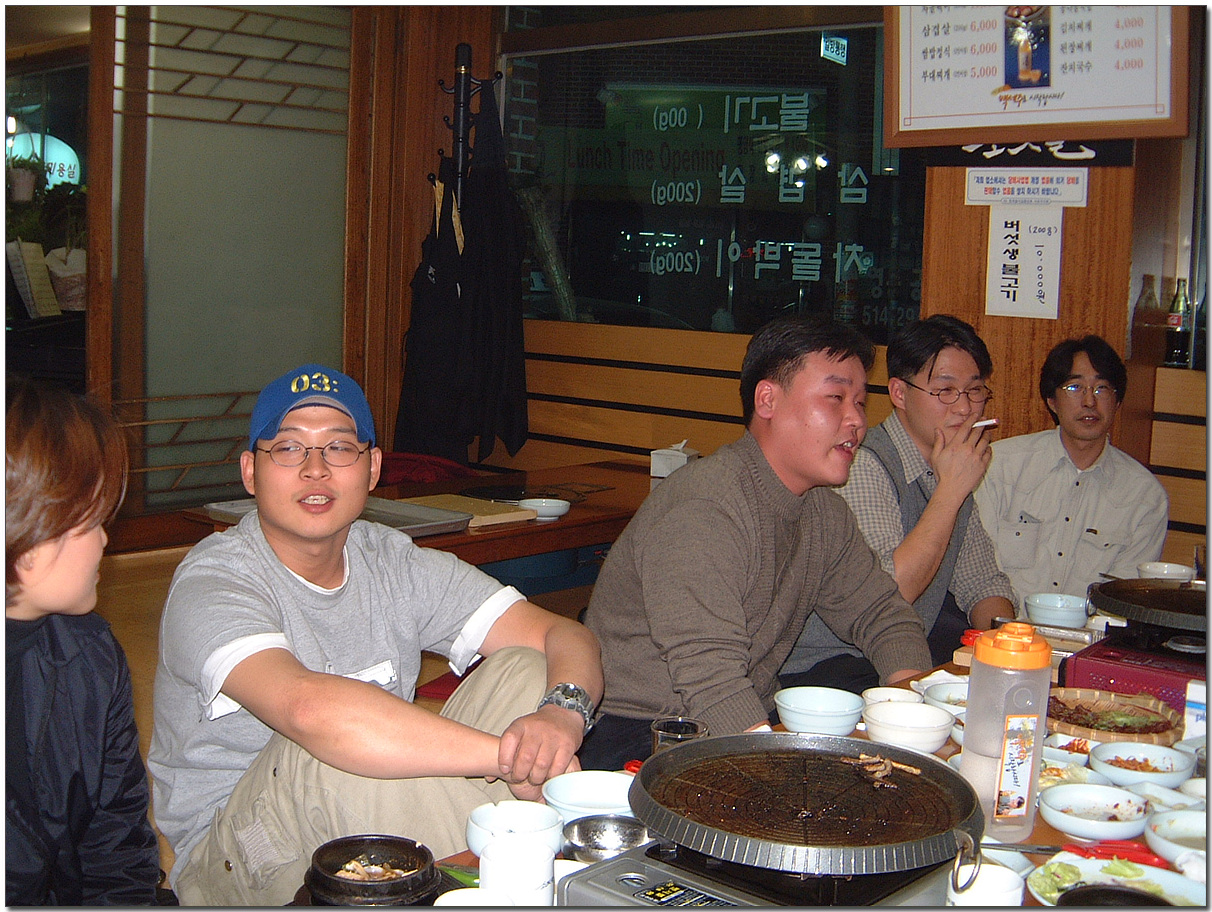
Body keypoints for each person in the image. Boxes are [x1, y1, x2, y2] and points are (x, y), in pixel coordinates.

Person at [149, 364, 603, 906]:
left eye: (340, 448)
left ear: (372, 468)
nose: (315, 469)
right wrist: (513, 759)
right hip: (238, 854)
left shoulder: (390, 559)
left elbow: (562, 634)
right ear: (251, 471)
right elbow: (310, 712)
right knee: (332, 746)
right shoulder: (215, 578)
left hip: (360, 809)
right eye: (289, 449)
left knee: (528, 670)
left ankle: (499, 865)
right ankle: (532, 868)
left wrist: (561, 716)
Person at [578, 318, 932, 771]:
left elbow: (883, 615)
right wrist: (774, 773)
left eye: (861, 402)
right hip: (642, 732)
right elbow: (710, 677)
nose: (858, 421)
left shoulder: (823, 510)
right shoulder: (705, 507)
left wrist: (910, 714)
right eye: (836, 398)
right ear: (768, 399)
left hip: (741, 718)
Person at [782, 315, 1017, 694]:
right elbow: (887, 594)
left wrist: (1010, 649)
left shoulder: (950, 466)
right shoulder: (861, 464)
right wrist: (950, 492)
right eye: (945, 390)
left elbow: (982, 582)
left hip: (894, 660)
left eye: (974, 391)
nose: (964, 408)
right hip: (825, 668)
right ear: (899, 393)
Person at [5, 377, 160, 905]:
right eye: (92, 521)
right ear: (29, 534)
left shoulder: (89, 657)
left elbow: (118, 850)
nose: (105, 539)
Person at [975, 335, 1168, 598]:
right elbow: (979, 572)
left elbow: (1124, 598)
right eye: (1075, 387)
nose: (1089, 402)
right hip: (1005, 621)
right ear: (1052, 401)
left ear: (1117, 402)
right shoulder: (1000, 466)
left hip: (1094, 625)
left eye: (1101, 388)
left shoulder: (1145, 496)